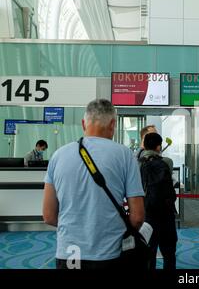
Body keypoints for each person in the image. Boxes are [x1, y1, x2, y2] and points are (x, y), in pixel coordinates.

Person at [42, 99, 145, 269]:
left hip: (69, 252)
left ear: (84, 123)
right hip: (111, 253)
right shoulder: (125, 156)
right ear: (113, 124)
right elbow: (138, 216)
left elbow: (48, 215)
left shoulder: (58, 156)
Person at [138, 132, 177, 270]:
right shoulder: (167, 162)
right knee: (169, 251)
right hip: (166, 212)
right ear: (159, 147)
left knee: (149, 250)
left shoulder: (138, 162)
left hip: (147, 212)